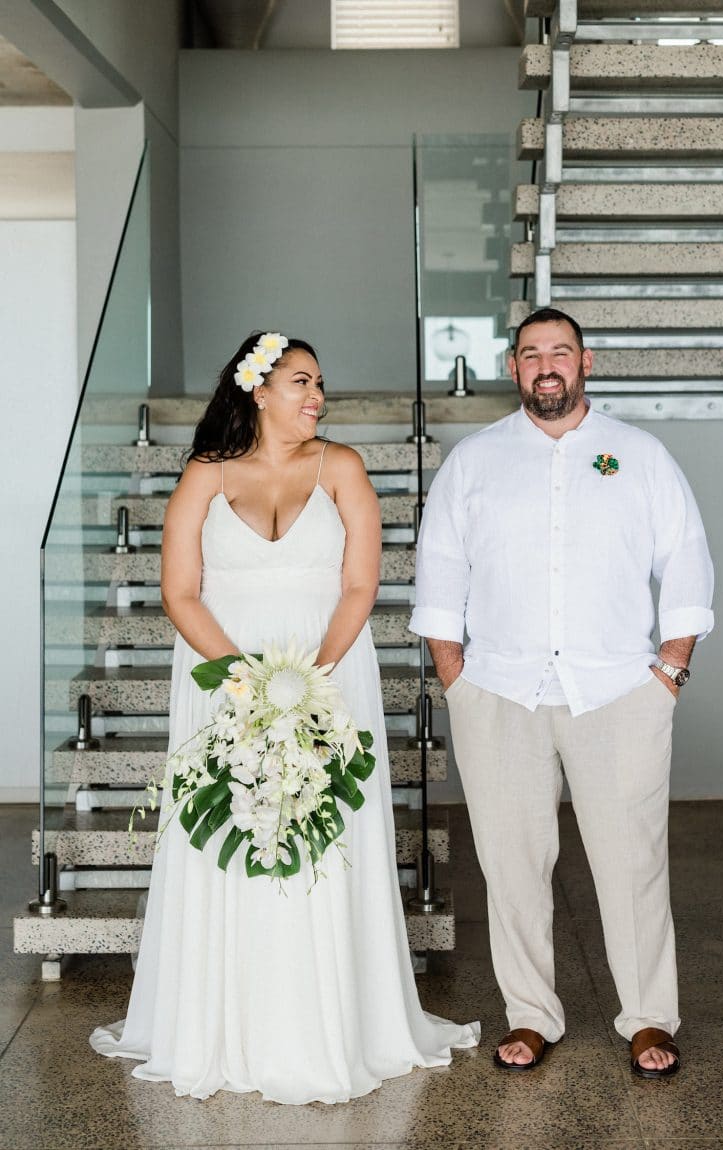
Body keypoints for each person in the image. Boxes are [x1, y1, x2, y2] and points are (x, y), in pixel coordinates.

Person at [90, 331, 479, 1102]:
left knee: (324, 836)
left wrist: (311, 684)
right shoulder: (205, 475)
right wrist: (249, 686)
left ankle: (332, 1024)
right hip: (222, 684)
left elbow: (361, 586)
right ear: (257, 390)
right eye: (302, 382)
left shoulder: (343, 468)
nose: (317, 397)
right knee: (227, 842)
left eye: (319, 384)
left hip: (330, 681)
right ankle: (225, 1027)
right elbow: (180, 592)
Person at [410, 307, 714, 1079]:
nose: (548, 365)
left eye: (561, 352)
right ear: (513, 368)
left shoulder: (639, 455)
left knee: (632, 861)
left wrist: (670, 667)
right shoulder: (473, 462)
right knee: (511, 865)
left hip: (618, 689)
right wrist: (457, 675)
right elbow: (440, 565)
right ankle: (531, 1016)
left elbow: (685, 557)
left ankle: (648, 1019)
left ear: (586, 363)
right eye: (532, 354)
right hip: (499, 690)